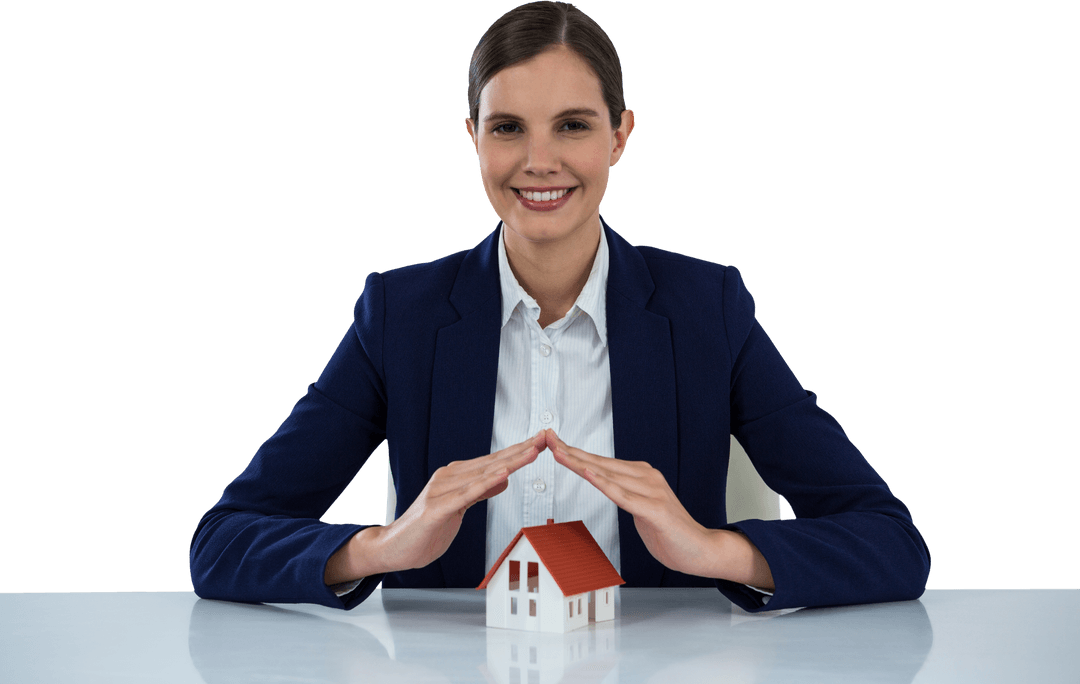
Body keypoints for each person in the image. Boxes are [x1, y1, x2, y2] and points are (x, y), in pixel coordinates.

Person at [189, 1, 930, 613]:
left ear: (620, 137)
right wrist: (384, 546)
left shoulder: (709, 308)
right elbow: (221, 541)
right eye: (508, 128)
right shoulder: (400, 314)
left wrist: (714, 548)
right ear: (474, 140)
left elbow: (890, 541)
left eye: (573, 125)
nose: (539, 160)